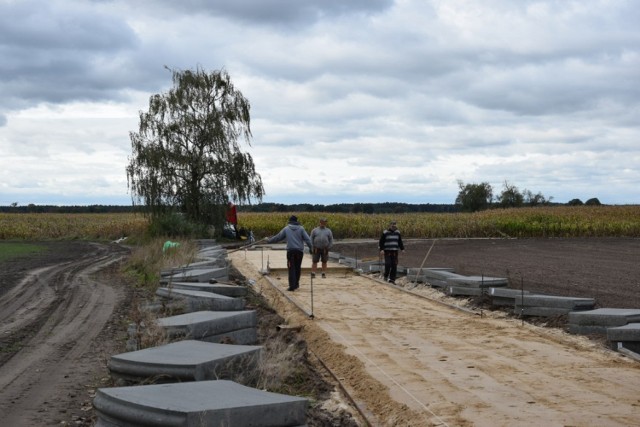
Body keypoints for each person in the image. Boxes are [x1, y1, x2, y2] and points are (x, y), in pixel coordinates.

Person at [267, 215, 313, 291]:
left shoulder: (286, 229)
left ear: (290, 221)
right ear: (296, 221)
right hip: (299, 252)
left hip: (290, 252)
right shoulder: (301, 229)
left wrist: (269, 240)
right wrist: (311, 248)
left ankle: (292, 286)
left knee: (291, 268)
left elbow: (278, 237)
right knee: (297, 268)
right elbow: (307, 239)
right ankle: (296, 284)